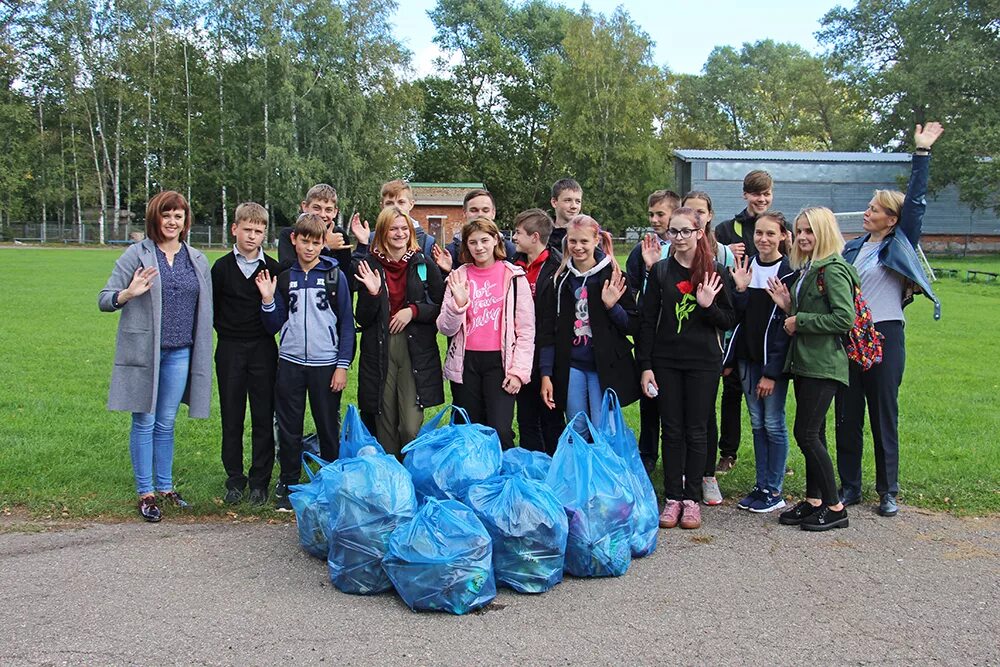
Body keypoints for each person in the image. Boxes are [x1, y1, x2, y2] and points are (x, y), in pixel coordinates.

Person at [836, 122, 944, 517]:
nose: (867, 212)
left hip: (885, 334)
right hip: (850, 336)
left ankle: (888, 490)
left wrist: (921, 154)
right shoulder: (852, 248)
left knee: (883, 413)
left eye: (875, 209)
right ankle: (849, 487)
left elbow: (915, 203)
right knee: (847, 414)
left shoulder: (901, 243)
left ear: (892, 219)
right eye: (868, 207)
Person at [98, 190, 213, 522]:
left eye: (178, 215)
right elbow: (104, 298)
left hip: (180, 353)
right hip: (146, 353)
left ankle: (165, 488)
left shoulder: (197, 259)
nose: (172, 221)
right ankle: (145, 492)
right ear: (155, 218)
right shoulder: (137, 254)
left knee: (166, 422)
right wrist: (128, 293)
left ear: (185, 221)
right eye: (166, 215)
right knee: (144, 421)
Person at [638, 207, 736, 530]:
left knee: (697, 430)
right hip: (667, 361)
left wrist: (707, 306)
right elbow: (648, 320)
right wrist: (646, 365)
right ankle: (673, 498)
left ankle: (692, 499)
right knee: (672, 429)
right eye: (673, 232)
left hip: (704, 362)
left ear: (698, 232)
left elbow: (729, 320)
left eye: (685, 231)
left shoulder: (715, 272)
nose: (678, 238)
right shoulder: (661, 271)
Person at [256, 213, 355, 511]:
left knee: (327, 426)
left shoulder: (335, 276)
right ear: (294, 240)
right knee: (289, 427)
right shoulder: (285, 278)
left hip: (326, 365)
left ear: (324, 243)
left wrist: (342, 365)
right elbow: (273, 325)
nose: (310, 248)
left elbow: (346, 326)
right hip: (290, 362)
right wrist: (268, 299)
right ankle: (288, 482)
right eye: (304, 241)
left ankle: (330, 482)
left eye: (316, 242)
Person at [766, 207, 854, 531]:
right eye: (800, 231)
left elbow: (845, 318)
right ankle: (815, 500)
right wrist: (790, 307)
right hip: (806, 362)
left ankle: (835, 507)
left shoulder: (832, 270)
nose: (803, 237)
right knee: (814, 434)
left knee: (805, 434)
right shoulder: (809, 269)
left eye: (810, 231)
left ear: (825, 232)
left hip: (823, 364)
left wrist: (798, 320)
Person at [353, 206, 445, 455]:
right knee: (385, 424)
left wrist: (412, 311)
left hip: (414, 347)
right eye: (393, 228)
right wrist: (373, 294)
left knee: (409, 425)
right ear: (382, 232)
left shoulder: (422, 263)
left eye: (404, 228)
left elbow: (438, 307)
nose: (400, 233)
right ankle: (394, 480)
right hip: (381, 346)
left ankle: (413, 468)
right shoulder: (370, 264)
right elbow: (362, 317)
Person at [436, 217, 534, 450]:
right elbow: (444, 327)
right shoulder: (459, 276)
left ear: (496, 241)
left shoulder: (514, 276)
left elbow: (526, 330)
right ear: (466, 246)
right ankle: (473, 481)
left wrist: (519, 372)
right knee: (469, 429)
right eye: (472, 242)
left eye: (484, 240)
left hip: (500, 364)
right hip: (466, 362)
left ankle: (502, 479)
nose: (479, 247)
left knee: (500, 430)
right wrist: (457, 305)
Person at [538, 214, 640, 429]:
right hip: (572, 365)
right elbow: (548, 330)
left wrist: (612, 307)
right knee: (577, 426)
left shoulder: (613, 276)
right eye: (573, 241)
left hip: (603, 367)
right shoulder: (559, 279)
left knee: (603, 426)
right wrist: (546, 373)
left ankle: (604, 463)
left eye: (584, 241)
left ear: (596, 240)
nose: (578, 247)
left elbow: (632, 325)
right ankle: (580, 463)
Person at [211, 202, 282, 505]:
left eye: (259, 231)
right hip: (230, 349)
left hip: (263, 349)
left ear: (265, 233)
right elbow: (212, 310)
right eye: (247, 230)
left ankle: (259, 481)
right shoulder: (222, 268)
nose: (252, 236)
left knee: (263, 416)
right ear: (235, 229)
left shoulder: (274, 269)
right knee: (232, 415)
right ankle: (234, 479)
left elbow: (278, 315)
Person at [724, 211, 794, 513]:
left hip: (770, 366)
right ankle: (761, 484)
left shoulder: (789, 271)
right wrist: (740, 289)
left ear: (782, 236)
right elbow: (739, 317)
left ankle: (774, 489)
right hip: (747, 360)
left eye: (770, 234)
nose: (763, 239)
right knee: (756, 423)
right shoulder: (748, 266)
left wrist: (771, 373)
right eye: (759, 234)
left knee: (773, 423)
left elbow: (784, 329)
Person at [713, 171, 774, 474]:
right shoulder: (727, 229)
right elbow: (715, 264)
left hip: (766, 321)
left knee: (769, 392)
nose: (761, 199)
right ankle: (728, 452)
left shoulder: (779, 226)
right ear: (745, 195)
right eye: (756, 194)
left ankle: (772, 456)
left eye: (766, 194)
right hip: (733, 320)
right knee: (732, 388)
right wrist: (728, 252)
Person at [682, 190, 737, 505]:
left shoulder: (723, 257)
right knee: (678, 417)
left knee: (704, 416)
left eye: (700, 211)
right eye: (690, 210)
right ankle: (683, 475)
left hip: (709, 351)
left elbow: (729, 312)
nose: (696, 215)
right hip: (676, 352)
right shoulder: (667, 256)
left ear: (709, 216)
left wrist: (726, 353)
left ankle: (706, 476)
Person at [625, 190, 680, 472]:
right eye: (651, 214)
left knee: (675, 403)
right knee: (649, 397)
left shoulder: (684, 249)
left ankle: (677, 460)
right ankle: (648, 455)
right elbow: (630, 289)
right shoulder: (640, 248)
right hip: (649, 334)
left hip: (679, 337)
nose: (655, 220)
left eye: (661, 214)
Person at [511, 208, 565, 454]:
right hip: (522, 353)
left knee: (551, 414)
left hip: (548, 350)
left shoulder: (556, 268)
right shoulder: (514, 266)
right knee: (526, 415)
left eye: (518, 233)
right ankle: (530, 466)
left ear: (534, 237)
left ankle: (555, 466)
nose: (513, 237)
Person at [350, 179, 442, 267]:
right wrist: (362, 245)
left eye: (401, 202)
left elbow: (434, 280)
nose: (396, 207)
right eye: (389, 203)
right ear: (382, 206)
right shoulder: (371, 239)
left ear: (411, 204)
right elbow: (356, 275)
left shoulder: (427, 242)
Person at [277, 183, 353, 274]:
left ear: (335, 212)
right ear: (305, 207)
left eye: (328, 210)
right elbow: (286, 268)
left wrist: (362, 244)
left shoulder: (339, 235)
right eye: (317, 208)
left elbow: (346, 272)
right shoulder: (288, 234)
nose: (322, 214)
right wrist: (325, 246)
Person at [436, 189, 517, 272]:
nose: (480, 214)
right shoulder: (451, 252)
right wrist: (447, 272)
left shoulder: (510, 249)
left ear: (493, 213)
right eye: (474, 210)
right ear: (464, 213)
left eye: (485, 210)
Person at [548, 178, 583, 252]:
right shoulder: (542, 232)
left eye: (578, 201)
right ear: (554, 202)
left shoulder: (588, 233)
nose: (574, 206)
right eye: (568, 200)